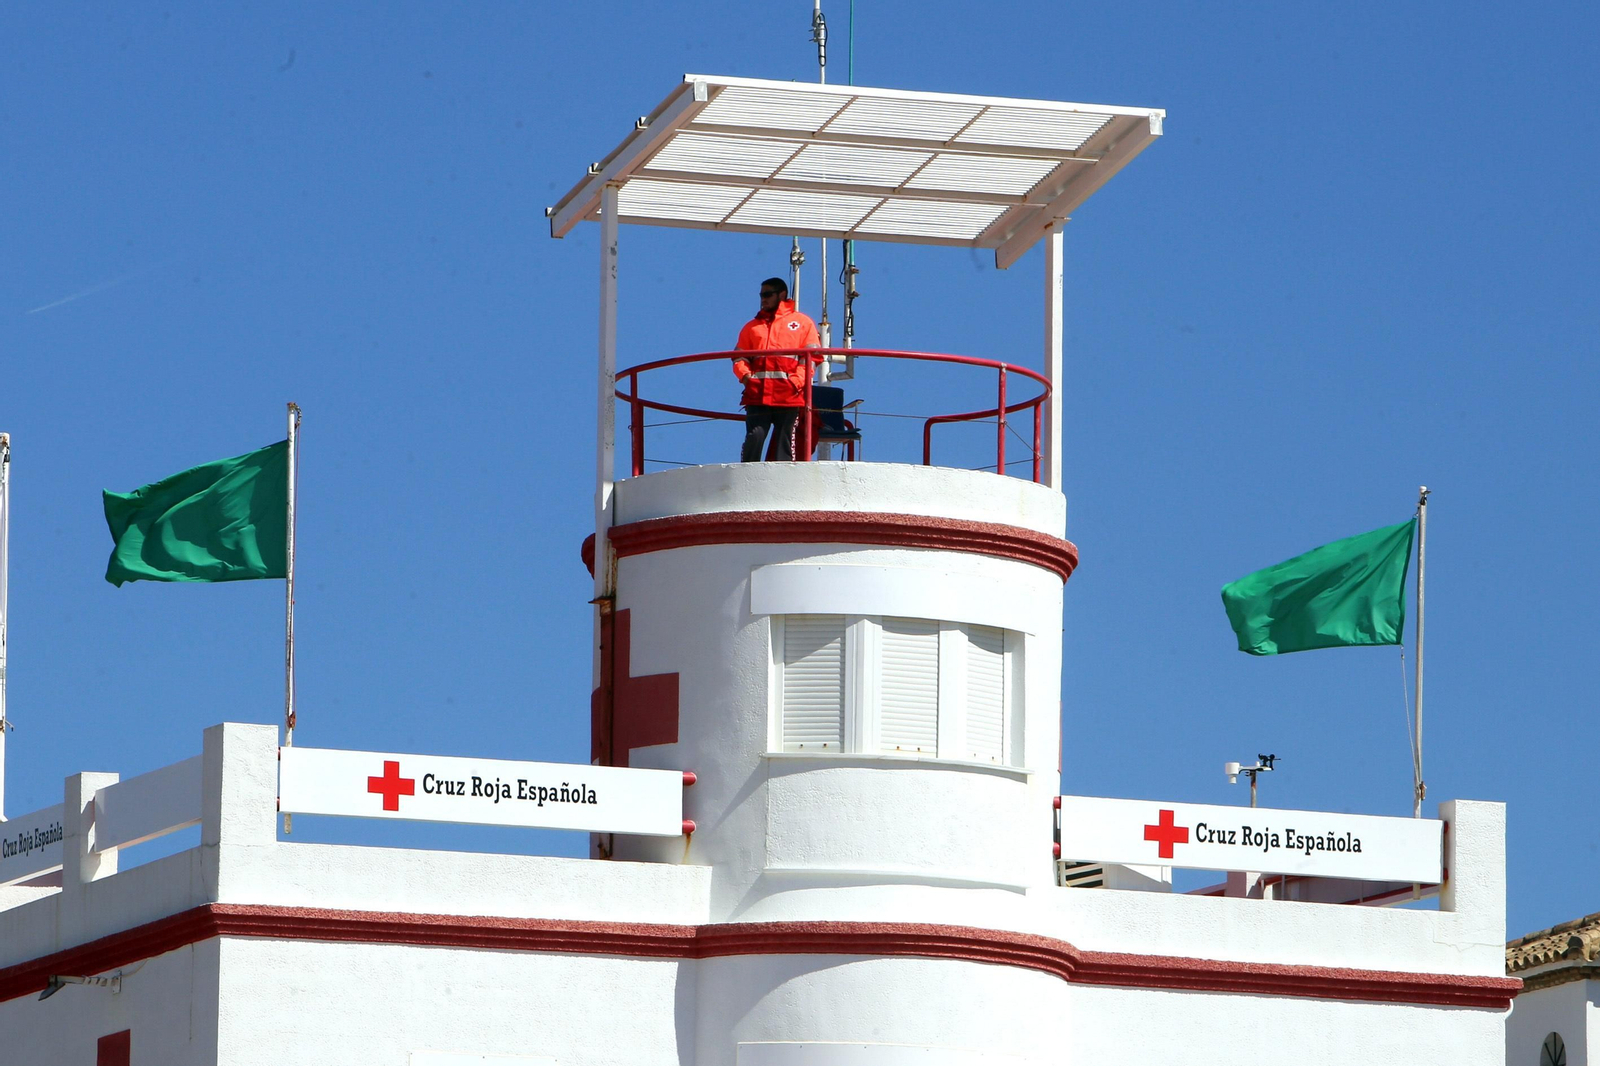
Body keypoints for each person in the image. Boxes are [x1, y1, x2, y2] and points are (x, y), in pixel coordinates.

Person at [732, 277, 822, 462]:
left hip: (788, 394)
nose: (763, 299)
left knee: (785, 442)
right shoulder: (752, 327)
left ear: (781, 295)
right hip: (757, 393)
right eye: (761, 295)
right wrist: (746, 377)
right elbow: (739, 357)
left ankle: (784, 479)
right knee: (754, 437)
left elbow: (812, 357)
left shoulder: (802, 323)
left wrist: (796, 381)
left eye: (767, 295)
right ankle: (747, 475)